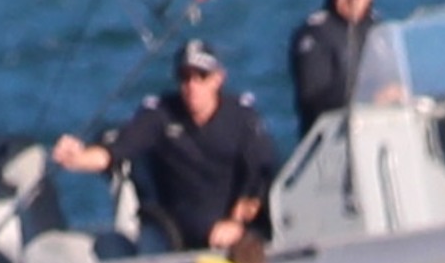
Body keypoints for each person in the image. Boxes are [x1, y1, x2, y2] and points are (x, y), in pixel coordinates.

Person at [53, 39, 277, 251]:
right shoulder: (161, 114)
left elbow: (260, 175)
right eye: (185, 78)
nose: (192, 86)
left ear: (218, 79)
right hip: (173, 232)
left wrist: (235, 223)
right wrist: (77, 158)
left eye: (201, 76)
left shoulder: (241, 117)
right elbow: (115, 151)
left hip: (229, 232)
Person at [289, 0, 383, 134]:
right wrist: (371, 97)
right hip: (332, 139)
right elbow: (314, 98)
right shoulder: (315, 34)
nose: (352, 0)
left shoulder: (379, 30)